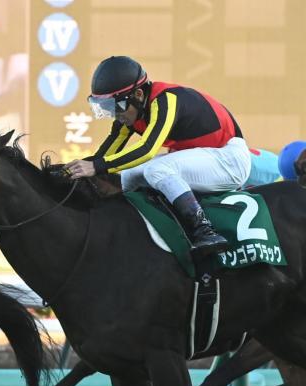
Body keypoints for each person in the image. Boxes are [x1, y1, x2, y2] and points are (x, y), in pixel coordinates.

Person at [65, 56, 251, 256]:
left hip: (230, 159)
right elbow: (105, 156)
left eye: (116, 106)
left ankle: (205, 231)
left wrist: (95, 167)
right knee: (129, 175)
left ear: (138, 94)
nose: (115, 114)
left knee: (157, 169)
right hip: (205, 156)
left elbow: (147, 150)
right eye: (108, 108)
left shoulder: (166, 100)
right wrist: (71, 170)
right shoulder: (130, 111)